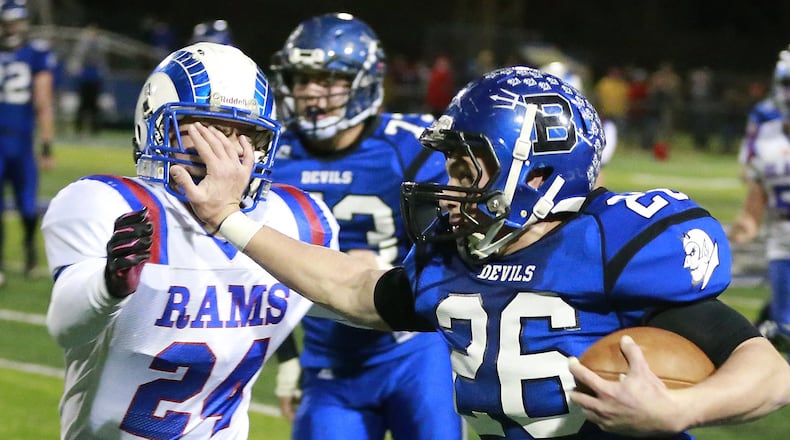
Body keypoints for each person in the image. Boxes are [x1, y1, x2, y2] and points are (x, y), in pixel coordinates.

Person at [175, 65, 790, 439]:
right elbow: (356, 290)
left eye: (468, 165)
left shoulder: (613, 242)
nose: (451, 183)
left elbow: (769, 372)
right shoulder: (455, 255)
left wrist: (681, 408)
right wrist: (227, 217)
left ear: (538, 171)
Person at [42, 42, 338, 439]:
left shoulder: (298, 220)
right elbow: (67, 327)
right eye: (206, 128)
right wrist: (108, 285)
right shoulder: (109, 203)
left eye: (244, 133)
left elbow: (356, 298)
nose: (226, 149)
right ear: (155, 126)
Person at [268, 12, 462, 439]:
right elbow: (255, 271)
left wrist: (390, 270)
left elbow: (457, 249)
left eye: (326, 78)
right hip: (329, 359)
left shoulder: (409, 147)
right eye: (301, 79)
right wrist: (287, 358)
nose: (310, 93)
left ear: (364, 81)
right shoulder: (273, 156)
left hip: (414, 351)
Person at [729, 48, 790, 355]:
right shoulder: (767, 138)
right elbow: (755, 204)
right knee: (786, 330)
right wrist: (744, 225)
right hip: (782, 242)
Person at [0, 0, 56, 286]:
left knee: (27, 205)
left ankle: (30, 249)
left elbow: (43, 101)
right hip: (12, 140)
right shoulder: (35, 53)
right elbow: (44, 103)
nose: (12, 28)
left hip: (21, 140)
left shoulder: (36, 54)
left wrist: (46, 145)